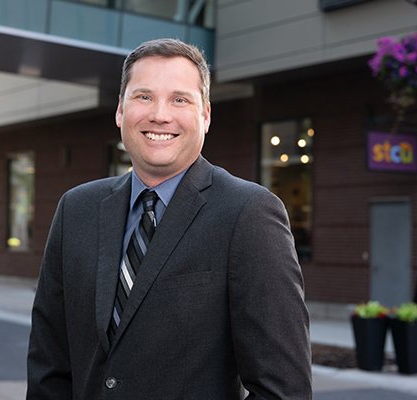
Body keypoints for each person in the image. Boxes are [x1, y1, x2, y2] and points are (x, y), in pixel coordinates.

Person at [27, 38, 312, 399]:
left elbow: (282, 390)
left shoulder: (249, 214)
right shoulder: (76, 209)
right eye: (143, 96)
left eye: (179, 99)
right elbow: (48, 364)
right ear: (119, 110)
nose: (160, 114)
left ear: (205, 115)